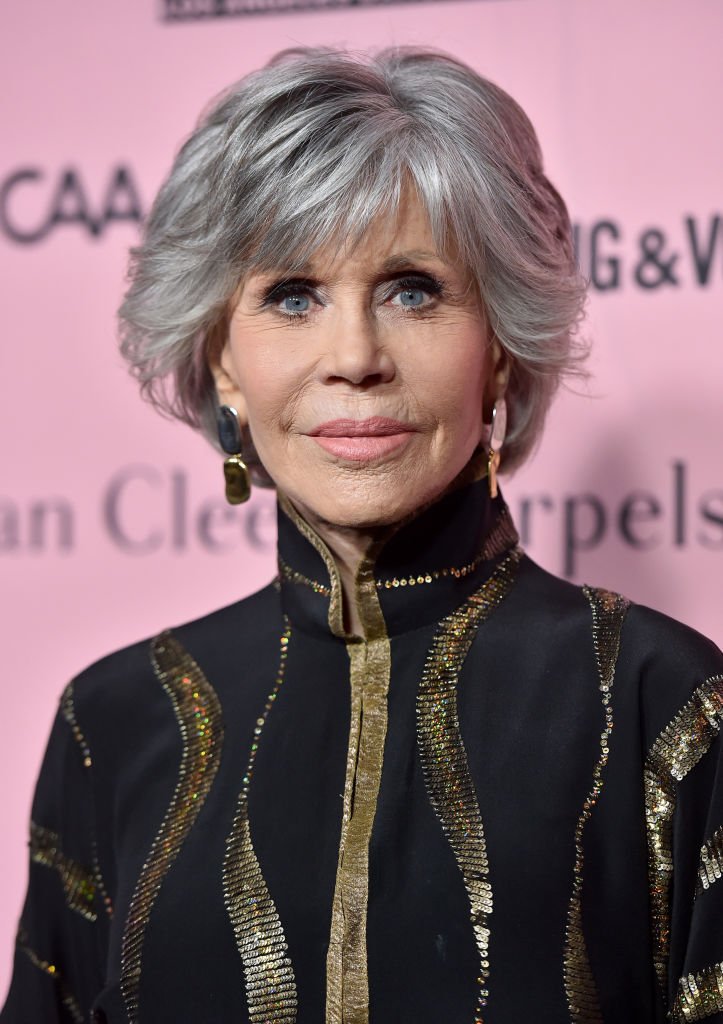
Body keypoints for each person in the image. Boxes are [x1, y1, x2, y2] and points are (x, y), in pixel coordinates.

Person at [2, 45, 722, 1024]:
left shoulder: (662, 703)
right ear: (222, 362)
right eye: (292, 295)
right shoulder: (116, 724)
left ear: (500, 351)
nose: (355, 357)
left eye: (414, 289)